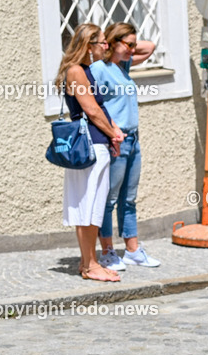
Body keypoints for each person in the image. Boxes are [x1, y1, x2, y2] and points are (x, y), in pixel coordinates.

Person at [56, 24, 125, 282]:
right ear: (89, 45)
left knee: (88, 205)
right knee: (91, 206)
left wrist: (114, 130)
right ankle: (91, 264)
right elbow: (91, 110)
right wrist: (112, 134)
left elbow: (98, 108)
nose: (106, 47)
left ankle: (87, 263)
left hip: (94, 143)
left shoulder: (83, 70)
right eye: (102, 43)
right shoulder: (76, 71)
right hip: (90, 145)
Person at [92, 22, 159, 270]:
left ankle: (132, 250)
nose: (133, 49)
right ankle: (107, 251)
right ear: (113, 42)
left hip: (134, 139)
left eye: (133, 44)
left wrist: (124, 46)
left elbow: (150, 47)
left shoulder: (123, 65)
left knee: (128, 199)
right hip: (115, 142)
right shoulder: (100, 69)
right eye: (128, 44)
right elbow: (92, 105)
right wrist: (109, 45)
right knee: (108, 199)